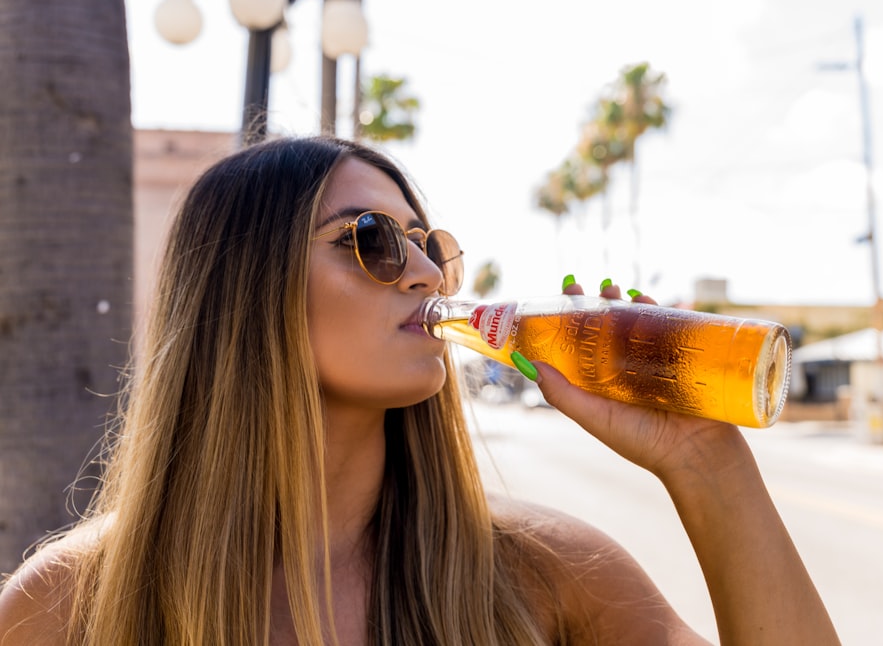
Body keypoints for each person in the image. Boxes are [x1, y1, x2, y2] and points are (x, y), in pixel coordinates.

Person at [0, 135, 840, 645]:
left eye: (428, 242)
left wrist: (709, 468)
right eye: (369, 239)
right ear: (242, 288)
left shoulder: (542, 576)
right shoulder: (74, 604)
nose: (427, 273)